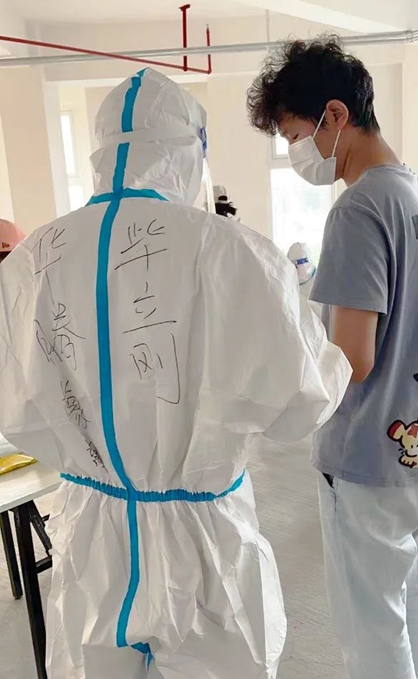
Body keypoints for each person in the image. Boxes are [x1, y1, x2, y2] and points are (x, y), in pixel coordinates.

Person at [0, 68, 350, 679]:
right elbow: (305, 402)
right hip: (206, 540)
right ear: (190, 152)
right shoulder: (238, 252)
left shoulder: (29, 261)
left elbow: (15, 402)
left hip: (92, 534)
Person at [248, 37, 418, 679]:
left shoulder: (357, 208)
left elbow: (352, 361)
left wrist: (291, 342)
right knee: (407, 600)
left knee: (371, 630)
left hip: (368, 451)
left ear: (335, 116)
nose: (296, 153)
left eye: (295, 135)